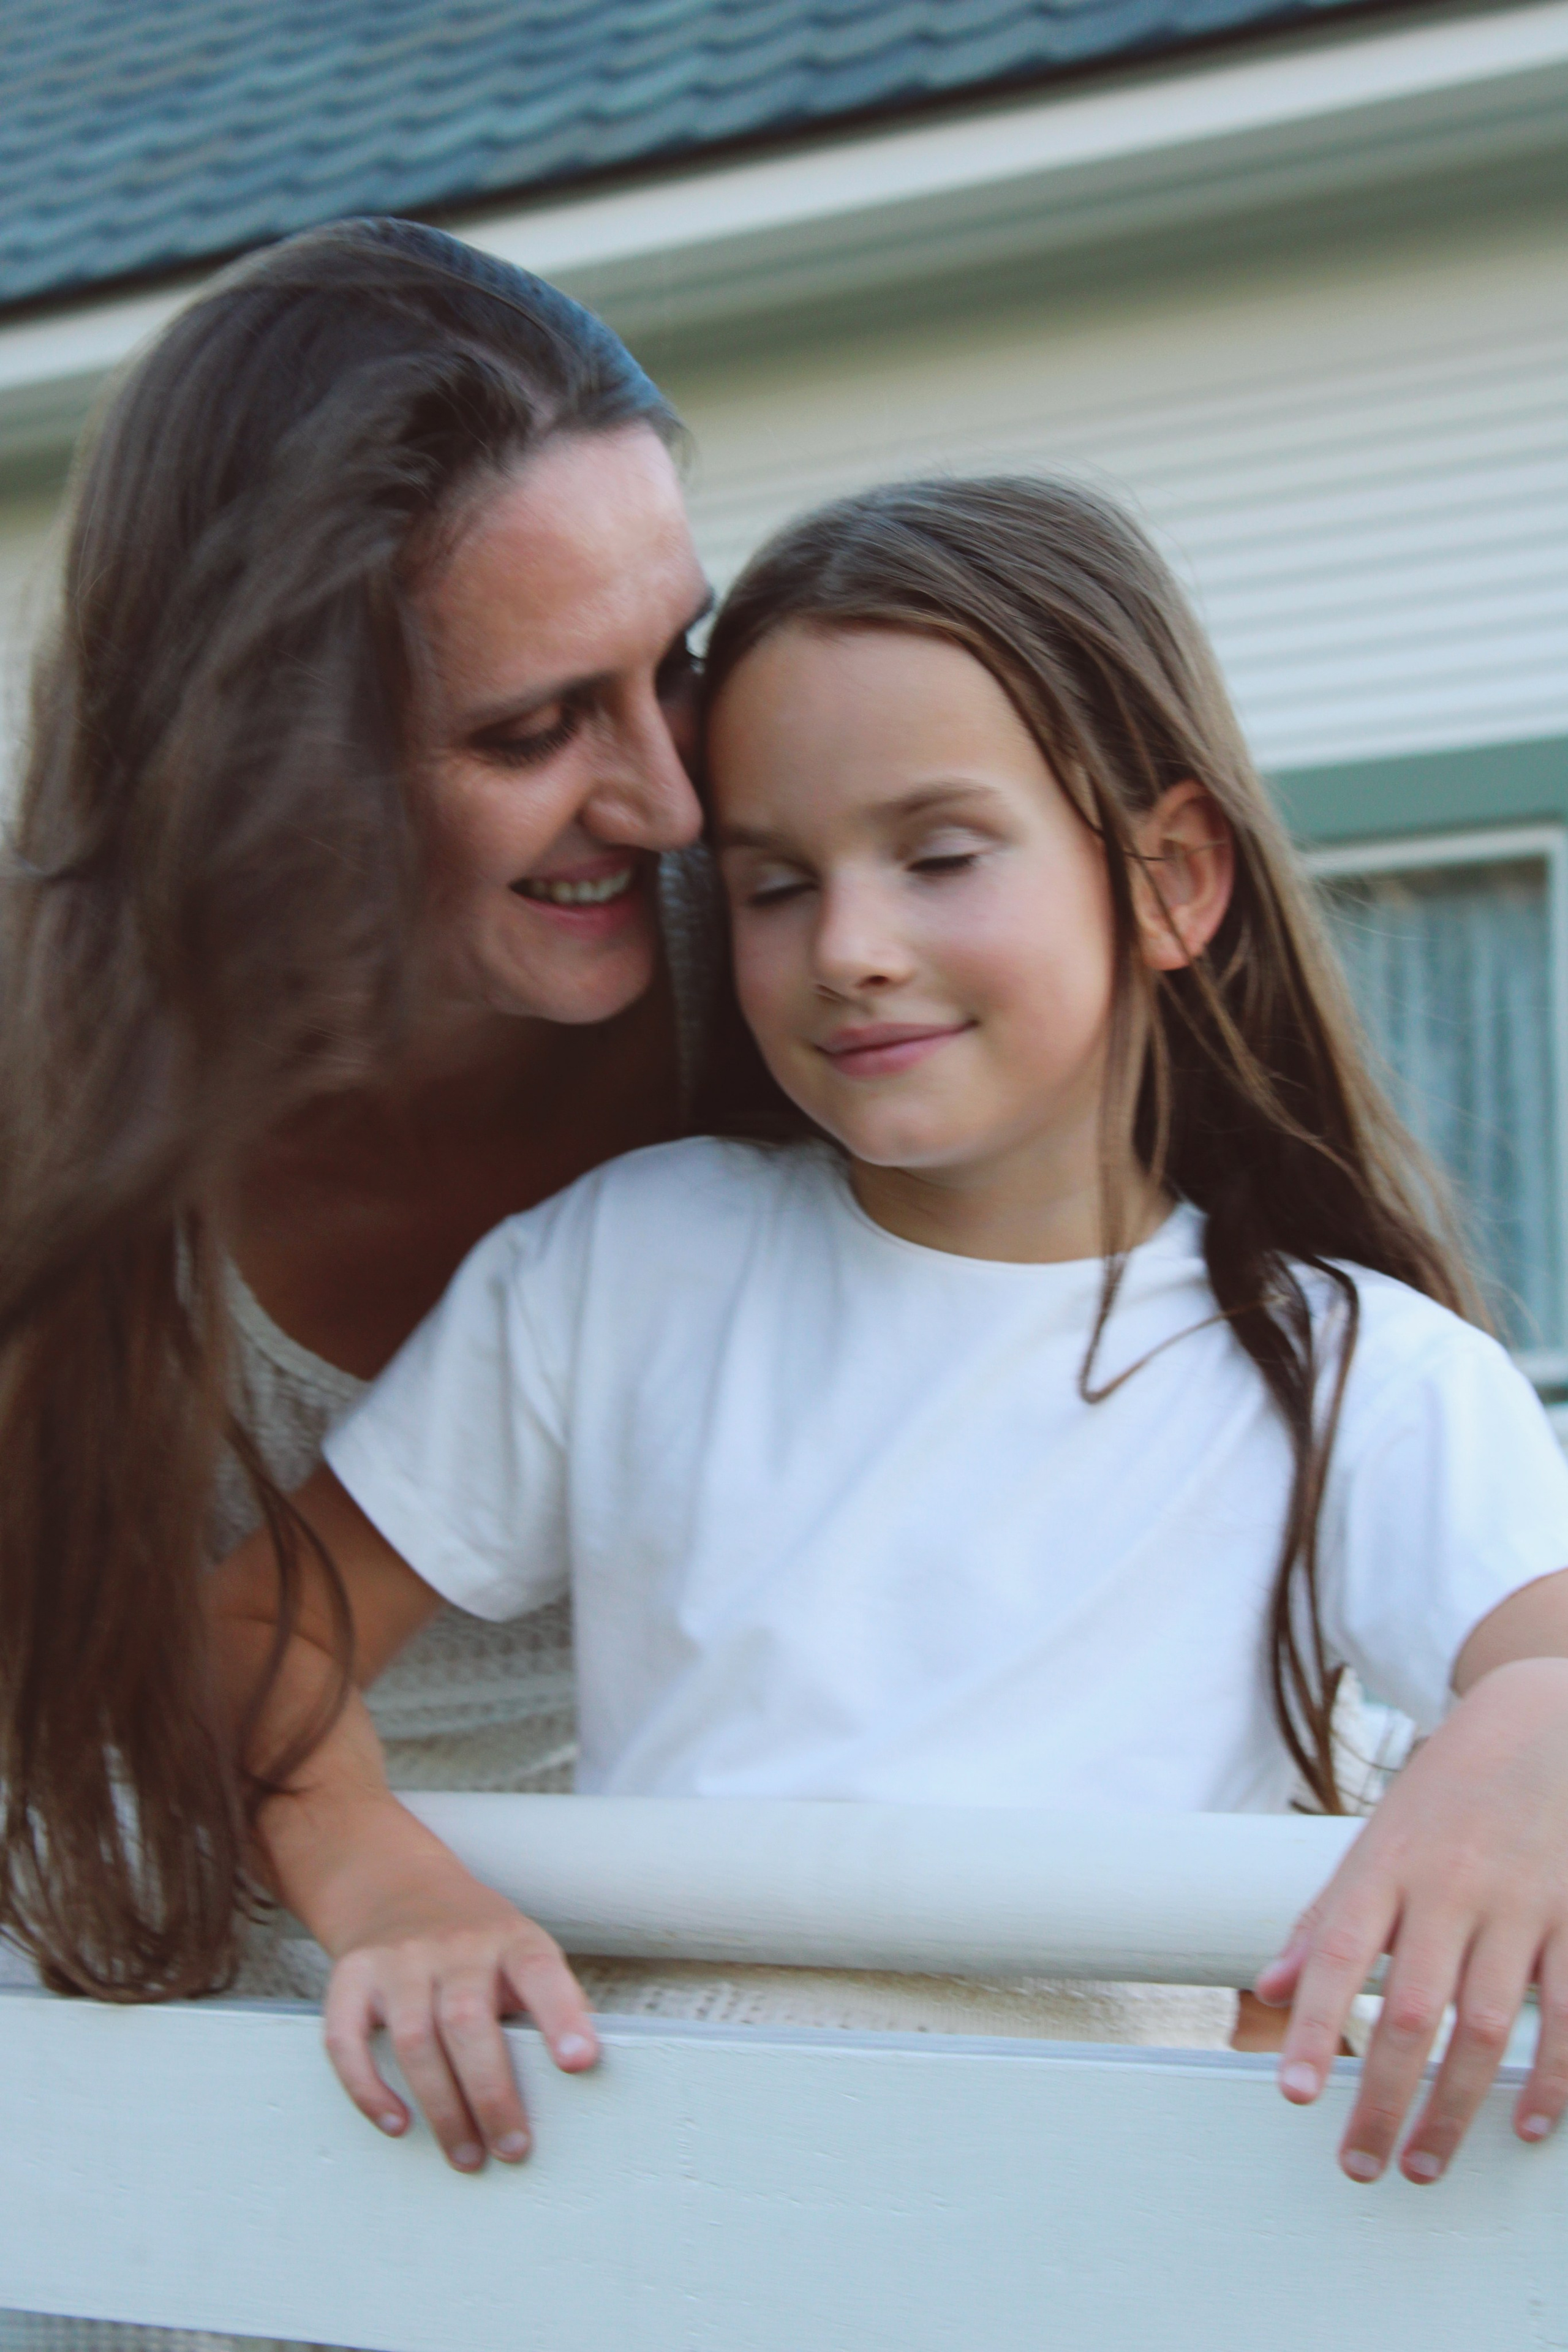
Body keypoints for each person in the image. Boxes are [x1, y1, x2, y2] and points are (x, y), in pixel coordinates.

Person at [219, 474, 1568, 2196]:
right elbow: (248, 1632)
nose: (850, 949)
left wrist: (1526, 1739)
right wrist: (379, 1879)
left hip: (1105, 2222)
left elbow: (1544, 1643)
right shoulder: (630, 1266)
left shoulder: (1356, 1371)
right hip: (654, 2201)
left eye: (938, 857)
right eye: (774, 886)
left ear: (1169, 878)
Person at [0, 211, 716, 2021]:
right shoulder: (47, 1107)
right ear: (274, 756)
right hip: (192, 2033)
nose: (672, 801)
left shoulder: (812, 980)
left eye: (677, 667)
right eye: (536, 727)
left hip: (731, 2007)